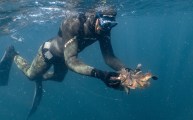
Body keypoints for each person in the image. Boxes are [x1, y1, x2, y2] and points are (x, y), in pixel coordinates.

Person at [0, 6, 129, 89]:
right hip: (49, 54)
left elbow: (109, 58)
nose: (106, 28)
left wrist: (128, 71)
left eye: (111, 25)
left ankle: (40, 76)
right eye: (104, 23)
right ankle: (13, 55)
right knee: (30, 75)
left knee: (59, 78)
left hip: (65, 58)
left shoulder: (104, 30)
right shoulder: (74, 24)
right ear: (97, 17)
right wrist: (101, 74)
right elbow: (71, 61)